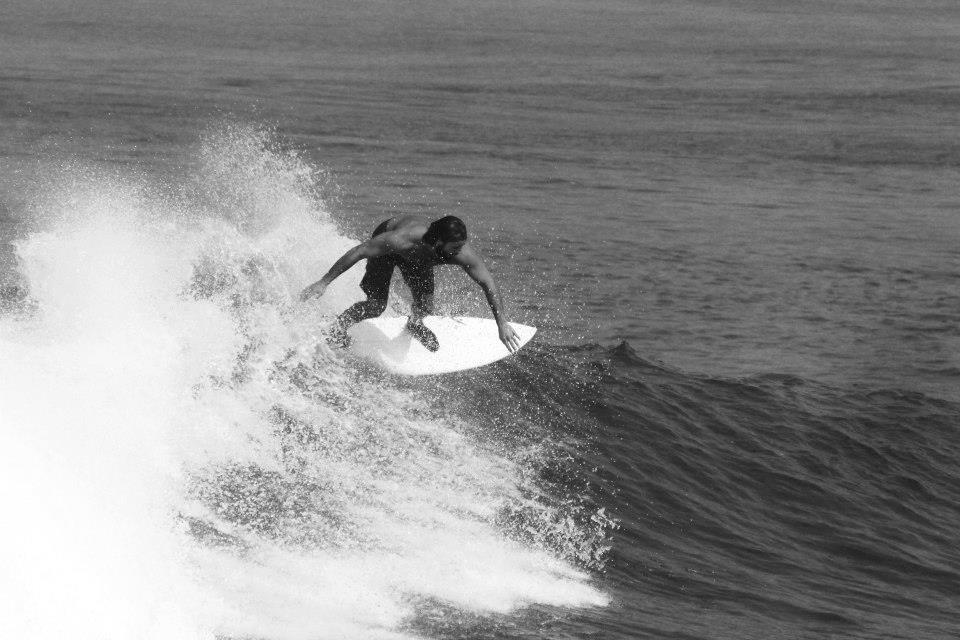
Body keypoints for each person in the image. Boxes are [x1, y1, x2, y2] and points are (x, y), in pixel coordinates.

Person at [300, 215, 521, 352]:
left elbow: (488, 282)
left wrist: (501, 323)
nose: (458, 253)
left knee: (425, 307)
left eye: (460, 247)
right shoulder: (400, 240)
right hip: (388, 248)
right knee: (376, 305)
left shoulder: (457, 252)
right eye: (454, 248)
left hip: (420, 258)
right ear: (438, 242)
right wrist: (323, 282)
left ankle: (415, 323)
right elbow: (359, 251)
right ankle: (338, 329)